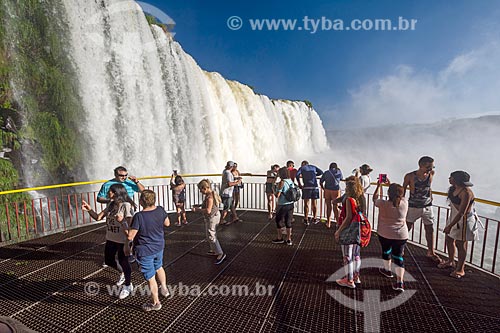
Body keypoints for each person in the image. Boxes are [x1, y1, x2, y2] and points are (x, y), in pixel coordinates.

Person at [82, 184, 135, 299]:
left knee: (124, 261)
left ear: (116, 193)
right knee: (109, 260)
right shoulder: (111, 205)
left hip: (122, 240)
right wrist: (89, 209)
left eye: (109, 192)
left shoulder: (126, 206)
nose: (107, 193)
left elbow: (131, 226)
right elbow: (98, 217)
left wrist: (123, 224)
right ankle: (123, 273)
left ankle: (128, 285)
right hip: (110, 238)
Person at [127, 190, 171, 311]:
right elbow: (167, 223)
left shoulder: (139, 216)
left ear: (141, 201)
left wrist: (122, 224)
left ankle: (155, 303)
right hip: (159, 246)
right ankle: (164, 289)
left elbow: (130, 236)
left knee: (151, 277)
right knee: (159, 267)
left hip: (145, 250)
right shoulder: (161, 210)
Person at [403, 156, 441, 263]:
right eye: (428, 166)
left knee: (430, 229)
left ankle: (431, 251)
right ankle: (400, 248)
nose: (431, 168)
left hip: (428, 206)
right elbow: (404, 189)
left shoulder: (431, 174)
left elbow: (429, 187)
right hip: (413, 206)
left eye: (432, 166)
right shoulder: (410, 176)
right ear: (420, 165)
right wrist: (400, 203)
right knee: (406, 228)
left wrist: (431, 196)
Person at [373, 180, 409, 292]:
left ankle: (387, 270)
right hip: (401, 235)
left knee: (386, 251)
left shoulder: (382, 204)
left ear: (389, 193)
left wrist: (379, 185)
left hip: (385, 233)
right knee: (398, 257)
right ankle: (400, 282)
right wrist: (391, 187)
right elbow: (398, 196)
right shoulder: (404, 203)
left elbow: (374, 199)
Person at [440, 171, 476, 279]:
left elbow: (462, 212)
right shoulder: (453, 189)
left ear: (457, 180)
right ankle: (451, 261)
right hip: (454, 218)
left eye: (451, 177)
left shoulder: (466, 192)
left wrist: (450, 226)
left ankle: (461, 269)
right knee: (449, 239)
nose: (449, 179)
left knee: (461, 244)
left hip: (463, 221)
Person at [334, 177, 365, 288]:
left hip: (349, 230)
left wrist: (338, 231)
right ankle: (356, 276)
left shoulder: (349, 199)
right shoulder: (361, 198)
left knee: (347, 256)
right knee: (356, 255)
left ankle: (349, 279)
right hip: (358, 229)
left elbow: (348, 218)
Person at [192, 180, 226, 264]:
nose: (200, 191)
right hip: (213, 216)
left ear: (205, 188)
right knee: (210, 235)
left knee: (211, 235)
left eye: (200, 189)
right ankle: (214, 250)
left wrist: (197, 210)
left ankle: (220, 253)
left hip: (212, 218)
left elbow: (208, 210)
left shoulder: (209, 197)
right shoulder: (210, 194)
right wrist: (200, 205)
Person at [271, 167, 295, 246]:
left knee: (278, 221)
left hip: (282, 205)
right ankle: (289, 239)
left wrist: (274, 190)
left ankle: (280, 238)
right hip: (290, 203)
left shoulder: (282, 182)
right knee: (288, 221)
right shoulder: (290, 180)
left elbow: (277, 195)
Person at [296, 161, 323, 225]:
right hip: (315, 187)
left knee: (306, 204)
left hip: (306, 188)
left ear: (303, 164)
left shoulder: (302, 168)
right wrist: (314, 175)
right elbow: (321, 172)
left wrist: (299, 183)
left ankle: (306, 219)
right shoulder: (313, 167)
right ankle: (315, 218)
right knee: (314, 204)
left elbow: (297, 175)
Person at [320, 162, 343, 228]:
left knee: (328, 206)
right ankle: (338, 223)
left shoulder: (326, 172)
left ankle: (328, 222)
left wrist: (323, 188)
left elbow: (321, 181)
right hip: (335, 190)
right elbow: (341, 178)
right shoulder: (338, 171)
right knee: (335, 207)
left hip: (327, 190)